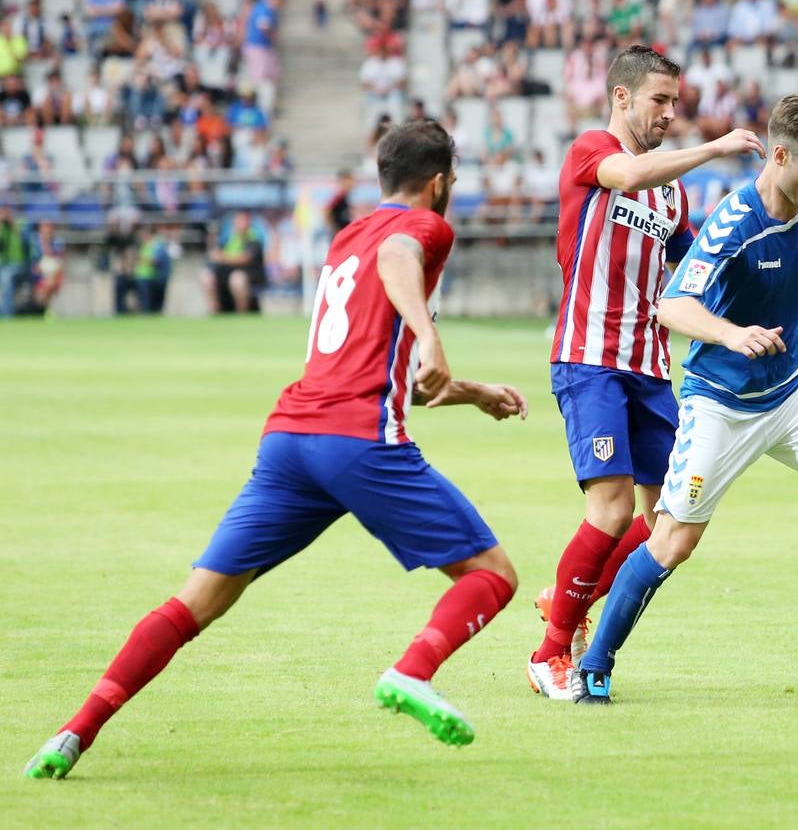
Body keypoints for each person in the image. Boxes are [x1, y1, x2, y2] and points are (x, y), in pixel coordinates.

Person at [24, 120, 529, 779]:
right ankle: (412, 672)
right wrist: (428, 335)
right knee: (493, 576)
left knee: (192, 604)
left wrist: (474, 391)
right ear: (438, 184)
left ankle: (72, 733)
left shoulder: (347, 237)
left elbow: (369, 356)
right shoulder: (424, 230)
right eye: (451, 184)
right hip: (356, 443)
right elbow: (400, 259)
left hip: (291, 439)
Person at [573, 91, 798, 704]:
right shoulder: (734, 223)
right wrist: (732, 333)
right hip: (722, 402)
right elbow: (671, 304)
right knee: (673, 542)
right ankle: (597, 661)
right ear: (779, 155)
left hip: (796, 387)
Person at [527, 44, 765, 700]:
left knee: (668, 515)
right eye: (658, 100)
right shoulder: (592, 150)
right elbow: (625, 177)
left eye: (674, 103)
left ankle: (564, 601)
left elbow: (699, 268)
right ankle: (551, 654)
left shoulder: (671, 193)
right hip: (590, 361)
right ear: (623, 97)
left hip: (650, 369)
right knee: (607, 511)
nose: (668, 113)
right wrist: (717, 147)